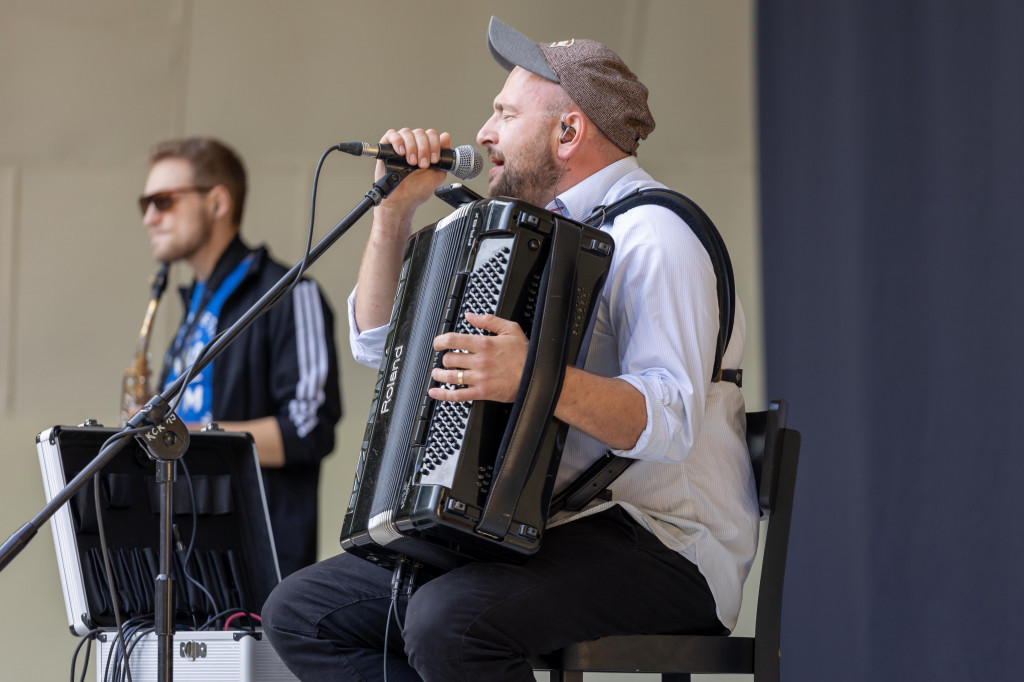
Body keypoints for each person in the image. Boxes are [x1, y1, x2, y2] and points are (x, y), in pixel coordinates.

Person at [262, 16, 757, 681]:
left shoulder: (656, 237)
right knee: (303, 612)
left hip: (667, 544)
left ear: (569, 131)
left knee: (450, 621)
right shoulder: (517, 239)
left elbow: (666, 423)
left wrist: (534, 377)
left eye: (503, 114)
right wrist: (393, 216)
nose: (483, 134)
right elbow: (381, 349)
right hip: (550, 530)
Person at [139, 136, 343, 578]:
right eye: (146, 204)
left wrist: (186, 438)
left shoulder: (291, 294)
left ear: (217, 202)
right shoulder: (193, 311)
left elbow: (309, 430)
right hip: (183, 561)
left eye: (163, 201)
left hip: (256, 571)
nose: (149, 218)